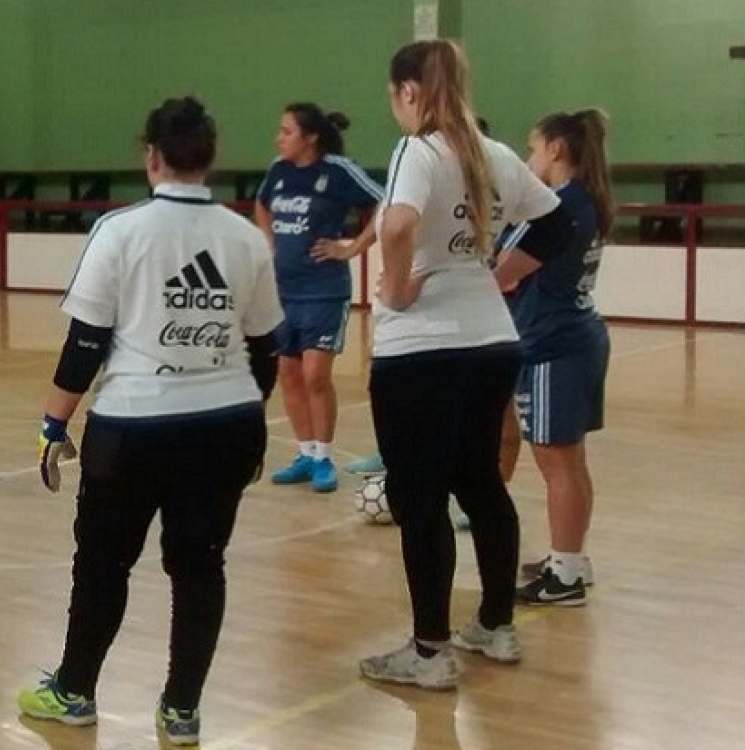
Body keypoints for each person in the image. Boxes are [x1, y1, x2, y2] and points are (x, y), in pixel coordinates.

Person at [16, 97, 283, 746]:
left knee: (102, 566)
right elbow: (265, 350)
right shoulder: (246, 238)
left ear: (152, 157)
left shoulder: (120, 231)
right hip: (225, 426)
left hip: (132, 432)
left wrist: (52, 425)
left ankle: (73, 692)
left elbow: (85, 345)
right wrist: (246, 423)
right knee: (200, 567)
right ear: (211, 158)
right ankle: (181, 711)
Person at [357, 39, 574, 689]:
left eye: (394, 95)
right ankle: (496, 625)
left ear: (409, 92)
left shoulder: (418, 151)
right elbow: (558, 225)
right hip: (491, 342)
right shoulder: (494, 153)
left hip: (421, 350)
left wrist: (399, 287)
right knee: (480, 482)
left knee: (418, 496)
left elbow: (397, 225)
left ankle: (429, 653)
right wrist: (497, 274)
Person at [494, 109, 614, 606]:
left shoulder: (558, 205)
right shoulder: (587, 199)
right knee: (570, 459)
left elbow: (503, 272)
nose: (530, 159)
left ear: (556, 149)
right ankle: (571, 559)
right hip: (578, 335)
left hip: (552, 342)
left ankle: (564, 578)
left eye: (533, 148)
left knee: (556, 463)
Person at [254, 103, 383, 493]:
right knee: (289, 373)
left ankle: (324, 456)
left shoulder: (338, 170)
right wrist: (270, 242)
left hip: (324, 289)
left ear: (310, 137)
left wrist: (353, 247)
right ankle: (306, 454)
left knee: (315, 375)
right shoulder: (278, 170)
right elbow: (262, 204)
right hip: (283, 289)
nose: (279, 138)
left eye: (287, 131)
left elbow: (388, 202)